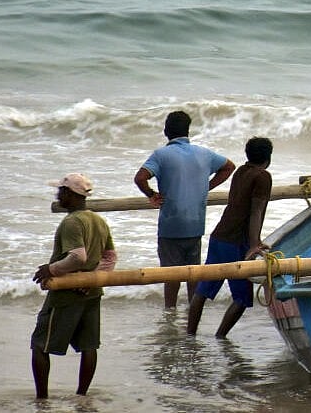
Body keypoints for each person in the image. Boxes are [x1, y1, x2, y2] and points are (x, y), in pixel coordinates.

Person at [134, 110, 235, 309]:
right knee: (193, 274)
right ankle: (192, 313)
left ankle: (170, 314)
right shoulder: (204, 153)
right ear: (188, 131)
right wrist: (206, 186)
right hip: (195, 224)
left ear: (166, 131)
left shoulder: (161, 155)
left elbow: (140, 178)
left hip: (171, 225)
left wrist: (152, 195)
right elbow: (229, 167)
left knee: (171, 276)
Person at [31, 174, 117, 399]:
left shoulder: (71, 222)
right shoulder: (98, 220)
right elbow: (110, 257)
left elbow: (78, 257)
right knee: (89, 345)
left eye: (60, 191)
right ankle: (82, 396)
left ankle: (42, 399)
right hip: (91, 292)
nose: (57, 195)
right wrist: (92, 280)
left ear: (70, 194)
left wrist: (51, 270)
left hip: (66, 294)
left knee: (40, 345)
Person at [187, 137, 274, 337]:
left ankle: (190, 335)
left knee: (203, 290)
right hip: (236, 243)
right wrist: (254, 245)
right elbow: (256, 211)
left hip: (219, 237)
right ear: (268, 158)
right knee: (242, 297)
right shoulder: (263, 177)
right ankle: (220, 336)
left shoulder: (241, 172)